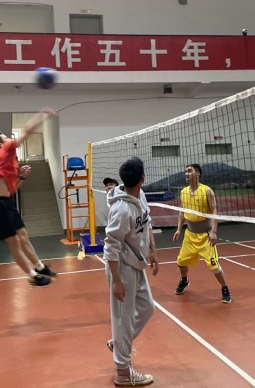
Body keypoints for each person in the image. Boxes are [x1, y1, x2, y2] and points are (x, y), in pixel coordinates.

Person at [0, 107, 58, 287]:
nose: (10, 139)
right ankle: (32, 276)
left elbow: (11, 190)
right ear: (1, 144)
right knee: (14, 241)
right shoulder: (5, 150)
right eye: (6, 137)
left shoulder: (9, 162)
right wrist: (42, 115)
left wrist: (22, 178)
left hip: (6, 202)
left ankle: (40, 267)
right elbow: (26, 131)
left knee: (23, 235)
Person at [104, 157, 158, 387]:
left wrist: (152, 251)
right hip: (121, 267)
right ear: (142, 178)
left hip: (137, 262)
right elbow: (110, 247)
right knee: (123, 319)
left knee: (148, 307)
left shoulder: (140, 195)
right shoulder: (121, 209)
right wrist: (116, 281)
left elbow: (147, 223)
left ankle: (119, 344)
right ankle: (123, 372)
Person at [173, 164, 232, 304]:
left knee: (214, 266)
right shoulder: (183, 192)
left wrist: (213, 232)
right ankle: (184, 280)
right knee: (181, 262)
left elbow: (214, 212)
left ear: (198, 173)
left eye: (189, 171)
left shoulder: (207, 191)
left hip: (205, 236)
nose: (186, 174)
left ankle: (225, 289)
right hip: (190, 235)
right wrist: (179, 229)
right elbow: (182, 212)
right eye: (185, 171)